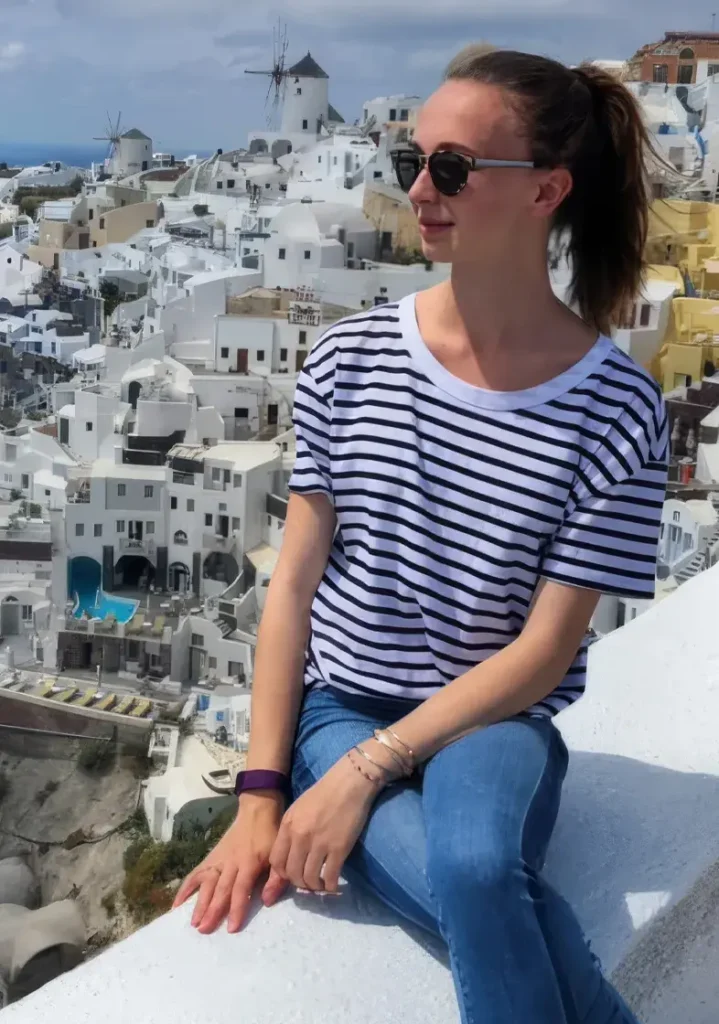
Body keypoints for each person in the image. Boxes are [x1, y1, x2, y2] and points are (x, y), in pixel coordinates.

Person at [174, 45, 668, 1024]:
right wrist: (261, 796)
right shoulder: (349, 361)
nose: (418, 189)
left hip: (490, 720)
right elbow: (293, 591)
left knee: (479, 861)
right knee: (480, 887)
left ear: (545, 192)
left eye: (451, 167)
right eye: (413, 160)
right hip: (338, 710)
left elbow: (541, 652)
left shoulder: (615, 407)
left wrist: (372, 770)